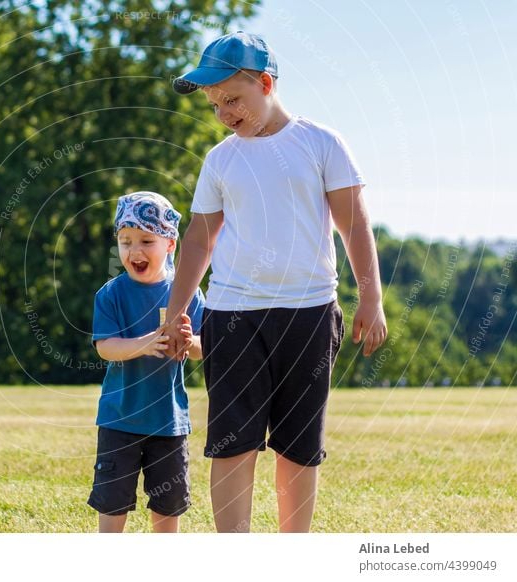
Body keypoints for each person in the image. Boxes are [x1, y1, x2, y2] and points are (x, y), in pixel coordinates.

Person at [163, 32, 388, 533]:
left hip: (308, 314)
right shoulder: (221, 159)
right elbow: (199, 240)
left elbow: (353, 224)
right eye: (215, 105)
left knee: (299, 445)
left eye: (232, 100)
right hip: (232, 316)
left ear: (266, 83)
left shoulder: (320, 143)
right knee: (232, 440)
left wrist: (370, 296)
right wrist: (175, 309)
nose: (224, 113)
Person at [88, 191, 206, 533]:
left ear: (170, 245)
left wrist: (189, 341)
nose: (134, 251)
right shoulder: (111, 293)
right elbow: (106, 347)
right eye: (125, 242)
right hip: (119, 420)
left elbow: (205, 348)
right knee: (113, 503)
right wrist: (145, 343)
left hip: (169, 423)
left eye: (145, 240)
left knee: (168, 507)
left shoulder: (187, 293)